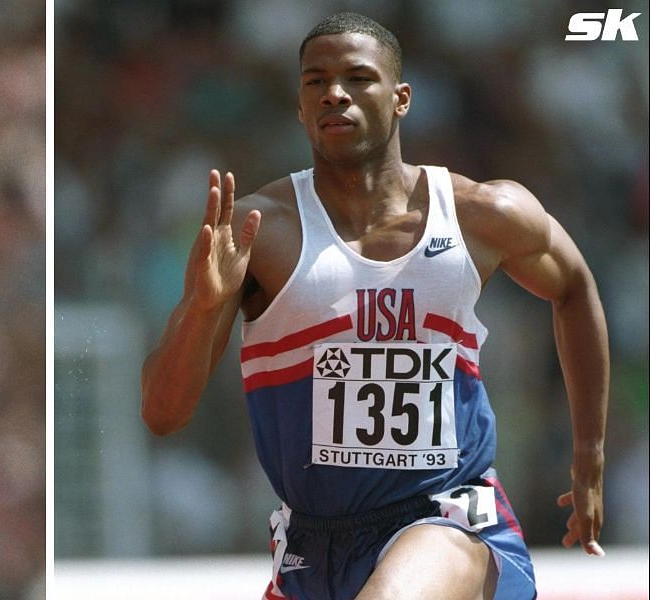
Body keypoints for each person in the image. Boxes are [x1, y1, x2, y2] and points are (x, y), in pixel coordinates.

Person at [140, 12, 607, 600]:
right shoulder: (261, 232)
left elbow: (574, 286)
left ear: (401, 97)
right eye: (315, 81)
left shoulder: (483, 213)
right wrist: (205, 309)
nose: (334, 92)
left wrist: (588, 454)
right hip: (312, 547)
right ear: (301, 108)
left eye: (358, 77)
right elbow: (162, 413)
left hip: (448, 522)